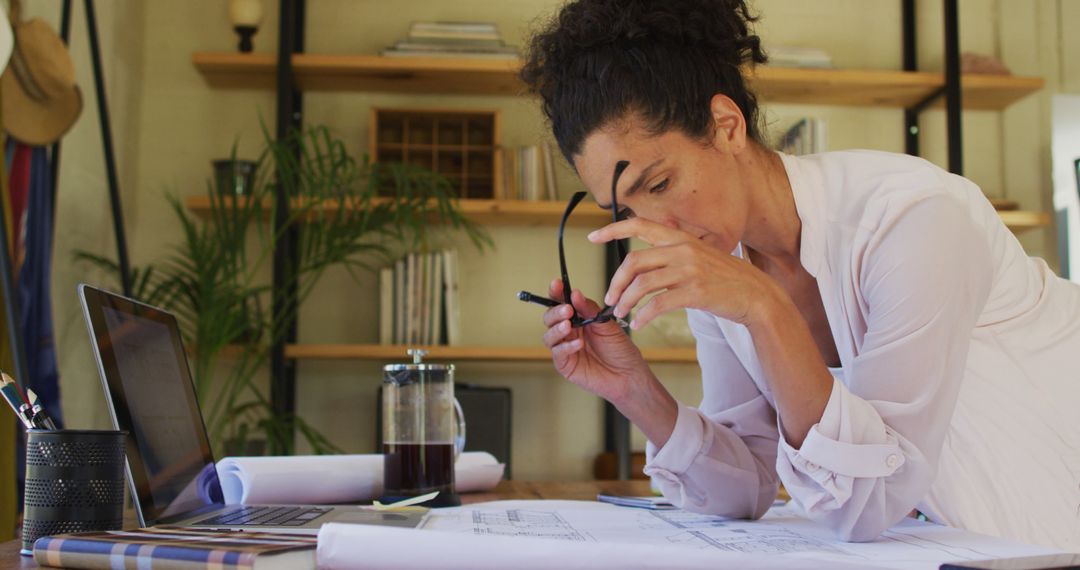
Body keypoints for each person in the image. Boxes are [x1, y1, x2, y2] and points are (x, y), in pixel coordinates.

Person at [521, 0, 1080, 550]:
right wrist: (634, 389)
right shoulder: (719, 259)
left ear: (726, 125)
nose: (653, 227)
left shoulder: (914, 219)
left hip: (1043, 535)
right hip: (941, 548)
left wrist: (765, 308)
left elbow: (869, 502)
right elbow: (746, 486)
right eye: (625, 211)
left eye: (660, 184)